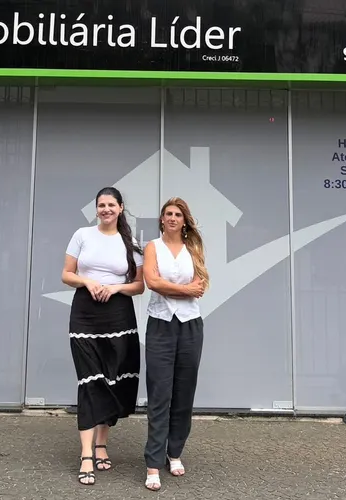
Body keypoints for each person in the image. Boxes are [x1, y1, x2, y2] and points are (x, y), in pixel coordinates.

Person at [61, 186, 145, 486]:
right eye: (101, 205)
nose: (106, 209)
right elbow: (66, 274)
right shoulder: (82, 235)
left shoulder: (131, 243)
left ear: (120, 208)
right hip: (85, 314)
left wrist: (115, 287)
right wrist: (88, 282)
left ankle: (101, 444)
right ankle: (86, 455)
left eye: (111, 204)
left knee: (111, 380)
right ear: (96, 209)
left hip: (119, 315)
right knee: (89, 380)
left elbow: (139, 285)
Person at [140, 197, 208, 491]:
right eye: (168, 213)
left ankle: (174, 452)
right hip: (160, 324)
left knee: (184, 392)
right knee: (159, 394)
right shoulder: (152, 247)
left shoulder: (194, 249)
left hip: (190, 325)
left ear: (184, 220)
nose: (172, 218)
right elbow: (152, 282)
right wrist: (184, 290)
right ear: (162, 219)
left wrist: (181, 290)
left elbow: (200, 287)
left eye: (177, 214)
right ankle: (153, 463)